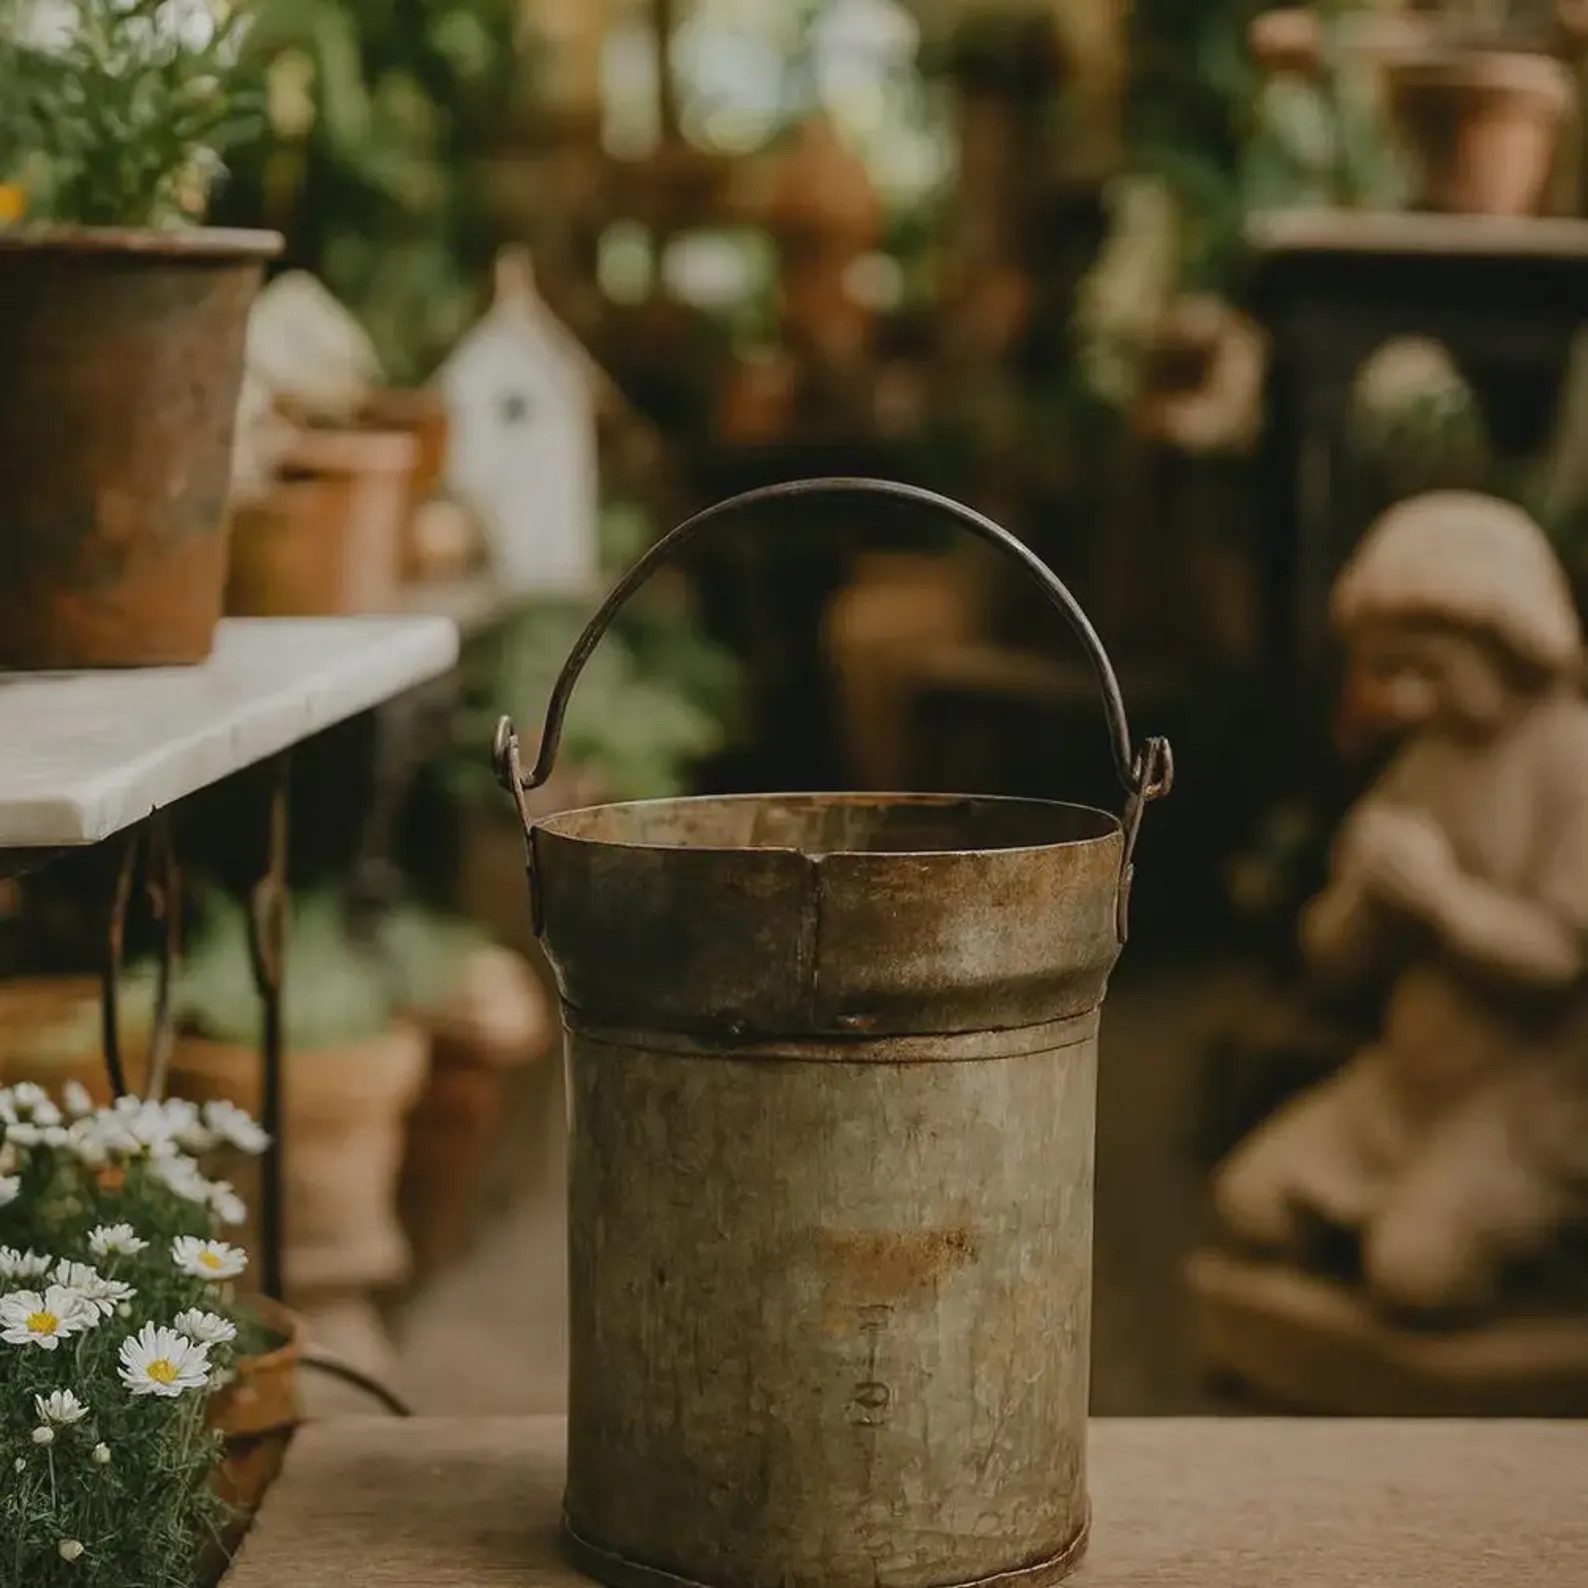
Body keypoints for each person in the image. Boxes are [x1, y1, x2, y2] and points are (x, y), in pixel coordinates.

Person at [1215, 491, 1588, 1314]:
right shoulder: (1427, 760)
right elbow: (1331, 962)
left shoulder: (1572, 761)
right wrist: (1363, 900)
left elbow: (1559, 964)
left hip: (1524, 1100)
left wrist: (1440, 900)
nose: (1408, 698)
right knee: (1249, 1202)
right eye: (1389, 671)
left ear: (1507, 644)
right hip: (1409, 1086)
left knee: (1416, 1271)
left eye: (1429, 668)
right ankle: (1382, 1223)